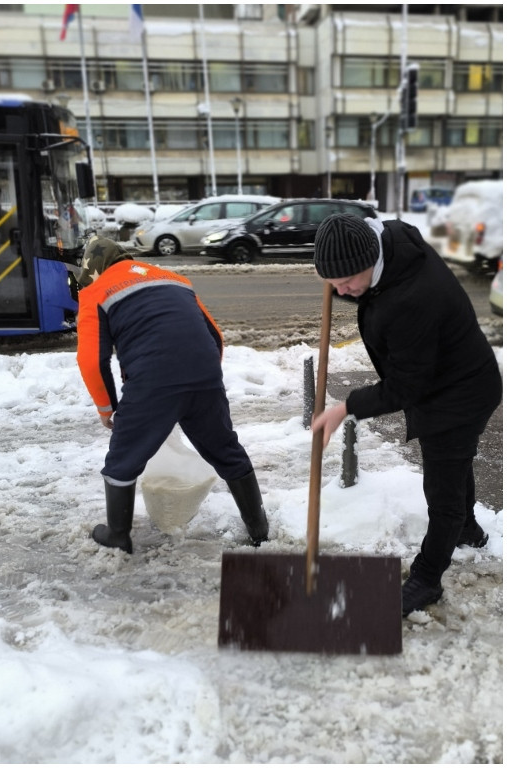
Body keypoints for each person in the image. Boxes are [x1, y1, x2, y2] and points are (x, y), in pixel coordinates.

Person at [309, 213, 501, 616]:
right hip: (452, 373)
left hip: (458, 394)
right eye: (332, 280)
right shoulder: (389, 240)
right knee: (455, 460)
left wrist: (346, 407)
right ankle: (468, 529)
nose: (339, 290)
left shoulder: (412, 299)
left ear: (371, 260)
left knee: (443, 491)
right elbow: (354, 234)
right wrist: (342, 277)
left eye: (347, 281)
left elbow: (404, 387)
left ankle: (427, 579)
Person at [75, 237, 269, 553]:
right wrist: (199, 380)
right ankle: (259, 529)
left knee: (122, 460)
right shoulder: (175, 279)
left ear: (92, 269)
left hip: (153, 381)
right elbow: (215, 337)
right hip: (204, 375)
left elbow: (91, 359)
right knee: (226, 450)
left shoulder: (95, 292)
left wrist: (106, 409)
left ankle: (118, 535)